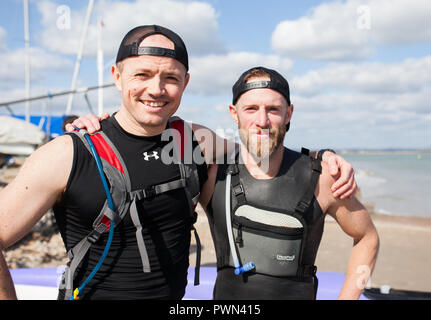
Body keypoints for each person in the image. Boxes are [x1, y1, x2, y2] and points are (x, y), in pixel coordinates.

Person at [0, 25, 355, 300]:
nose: (156, 89)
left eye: (170, 78)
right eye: (142, 75)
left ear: (185, 82)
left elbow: (262, 148)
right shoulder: (69, 153)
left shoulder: (195, 142)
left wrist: (323, 157)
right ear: (116, 75)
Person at [199, 66, 379, 300]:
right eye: (251, 109)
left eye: (273, 109)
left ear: (289, 113)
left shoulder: (322, 177)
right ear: (234, 113)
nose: (262, 121)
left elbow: (367, 237)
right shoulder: (214, 174)